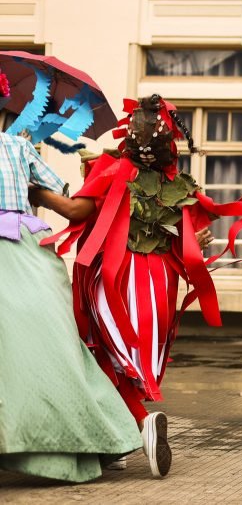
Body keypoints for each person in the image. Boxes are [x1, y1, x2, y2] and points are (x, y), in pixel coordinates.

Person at [33, 95, 242, 478]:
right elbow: (192, 234)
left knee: (104, 351)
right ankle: (117, 442)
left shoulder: (112, 169)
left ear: (131, 133)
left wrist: (37, 191)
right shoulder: (174, 180)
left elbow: (78, 212)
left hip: (117, 276)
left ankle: (143, 422)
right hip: (161, 281)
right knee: (134, 360)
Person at [0, 70, 142, 483]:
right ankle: (76, 439)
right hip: (23, 251)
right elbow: (75, 208)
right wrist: (81, 181)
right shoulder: (17, 147)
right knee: (50, 348)